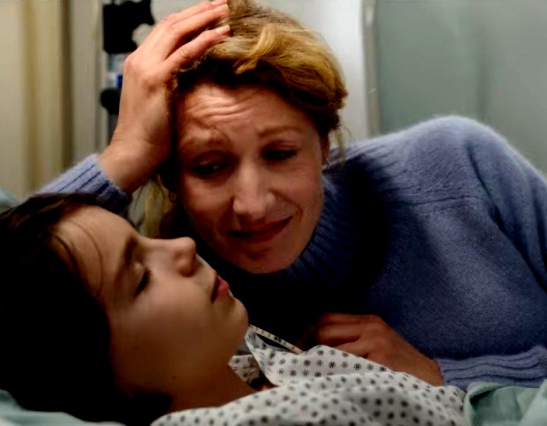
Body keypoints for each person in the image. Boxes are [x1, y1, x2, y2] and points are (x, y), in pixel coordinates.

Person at [42, 0, 547, 390]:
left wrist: (444, 374)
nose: (253, 205)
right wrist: (124, 155)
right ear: (170, 176)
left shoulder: (459, 163)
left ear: (323, 143)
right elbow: (2, 309)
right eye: (210, 167)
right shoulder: (175, 294)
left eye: (280, 154)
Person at [0, 193, 467, 426]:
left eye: (142, 238)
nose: (181, 248)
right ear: (99, 380)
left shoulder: (242, 358)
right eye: (140, 278)